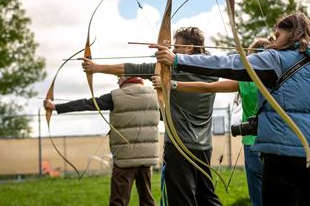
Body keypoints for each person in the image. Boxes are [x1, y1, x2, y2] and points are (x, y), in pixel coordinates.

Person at [152, 13, 310, 206]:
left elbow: (229, 63)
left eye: (278, 35)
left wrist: (177, 59)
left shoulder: (276, 59)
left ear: (292, 34)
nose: (273, 42)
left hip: (283, 157)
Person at [82, 27, 222, 206]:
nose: (172, 51)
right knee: (207, 197)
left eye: (176, 46)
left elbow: (136, 69)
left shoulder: (175, 72)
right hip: (204, 146)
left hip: (180, 147)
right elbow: (134, 68)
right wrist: (97, 68)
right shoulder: (212, 69)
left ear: (190, 48)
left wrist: (96, 67)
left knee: (182, 199)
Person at [151, 38, 270, 206]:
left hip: (253, 143)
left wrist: (171, 84)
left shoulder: (247, 82)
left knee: (258, 199)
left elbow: (208, 87)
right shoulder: (281, 79)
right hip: (278, 144)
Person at [44, 76, 159, 206]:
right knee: (147, 200)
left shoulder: (116, 96)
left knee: (118, 201)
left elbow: (86, 103)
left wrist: (55, 106)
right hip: (147, 159)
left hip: (124, 159)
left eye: (119, 78)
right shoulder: (154, 95)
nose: (117, 81)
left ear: (127, 78)